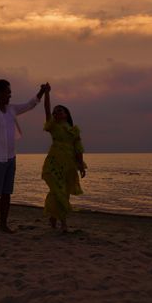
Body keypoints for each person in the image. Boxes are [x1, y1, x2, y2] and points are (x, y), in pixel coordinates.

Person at [0, 79, 49, 236]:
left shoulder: (11, 109)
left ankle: (3, 224)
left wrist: (42, 92)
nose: (10, 94)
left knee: (6, 193)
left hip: (11, 158)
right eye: (7, 91)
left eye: (10, 92)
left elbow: (29, 104)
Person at [41, 84, 86, 232]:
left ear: (66, 114)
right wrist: (47, 93)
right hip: (54, 164)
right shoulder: (53, 126)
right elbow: (47, 110)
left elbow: (78, 148)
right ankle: (63, 224)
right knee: (57, 191)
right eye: (55, 112)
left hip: (69, 165)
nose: (56, 113)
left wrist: (80, 165)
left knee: (63, 193)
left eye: (60, 110)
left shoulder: (74, 130)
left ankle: (54, 219)